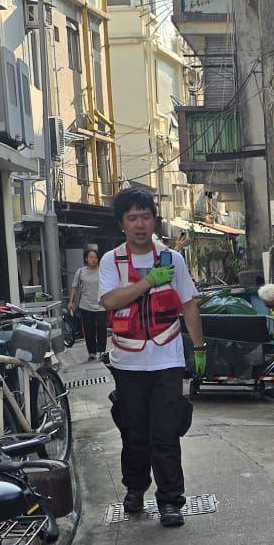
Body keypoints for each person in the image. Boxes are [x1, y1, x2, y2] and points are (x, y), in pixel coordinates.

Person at [98, 188, 207, 524]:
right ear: (122, 223)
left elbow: (188, 304)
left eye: (145, 216)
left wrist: (200, 349)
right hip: (127, 362)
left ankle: (170, 501)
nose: (140, 224)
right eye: (132, 217)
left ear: (154, 220)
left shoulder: (172, 259)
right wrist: (147, 282)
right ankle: (134, 487)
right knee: (134, 432)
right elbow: (110, 301)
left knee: (166, 433)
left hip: (167, 360)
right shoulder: (111, 261)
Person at [67, 246, 107, 357]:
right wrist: (71, 302)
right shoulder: (80, 272)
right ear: (86, 259)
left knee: (101, 328)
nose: (93, 259)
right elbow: (74, 287)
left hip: (101, 305)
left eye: (95, 257)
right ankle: (92, 353)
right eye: (91, 257)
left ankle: (102, 351)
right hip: (85, 305)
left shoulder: (102, 271)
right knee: (89, 330)